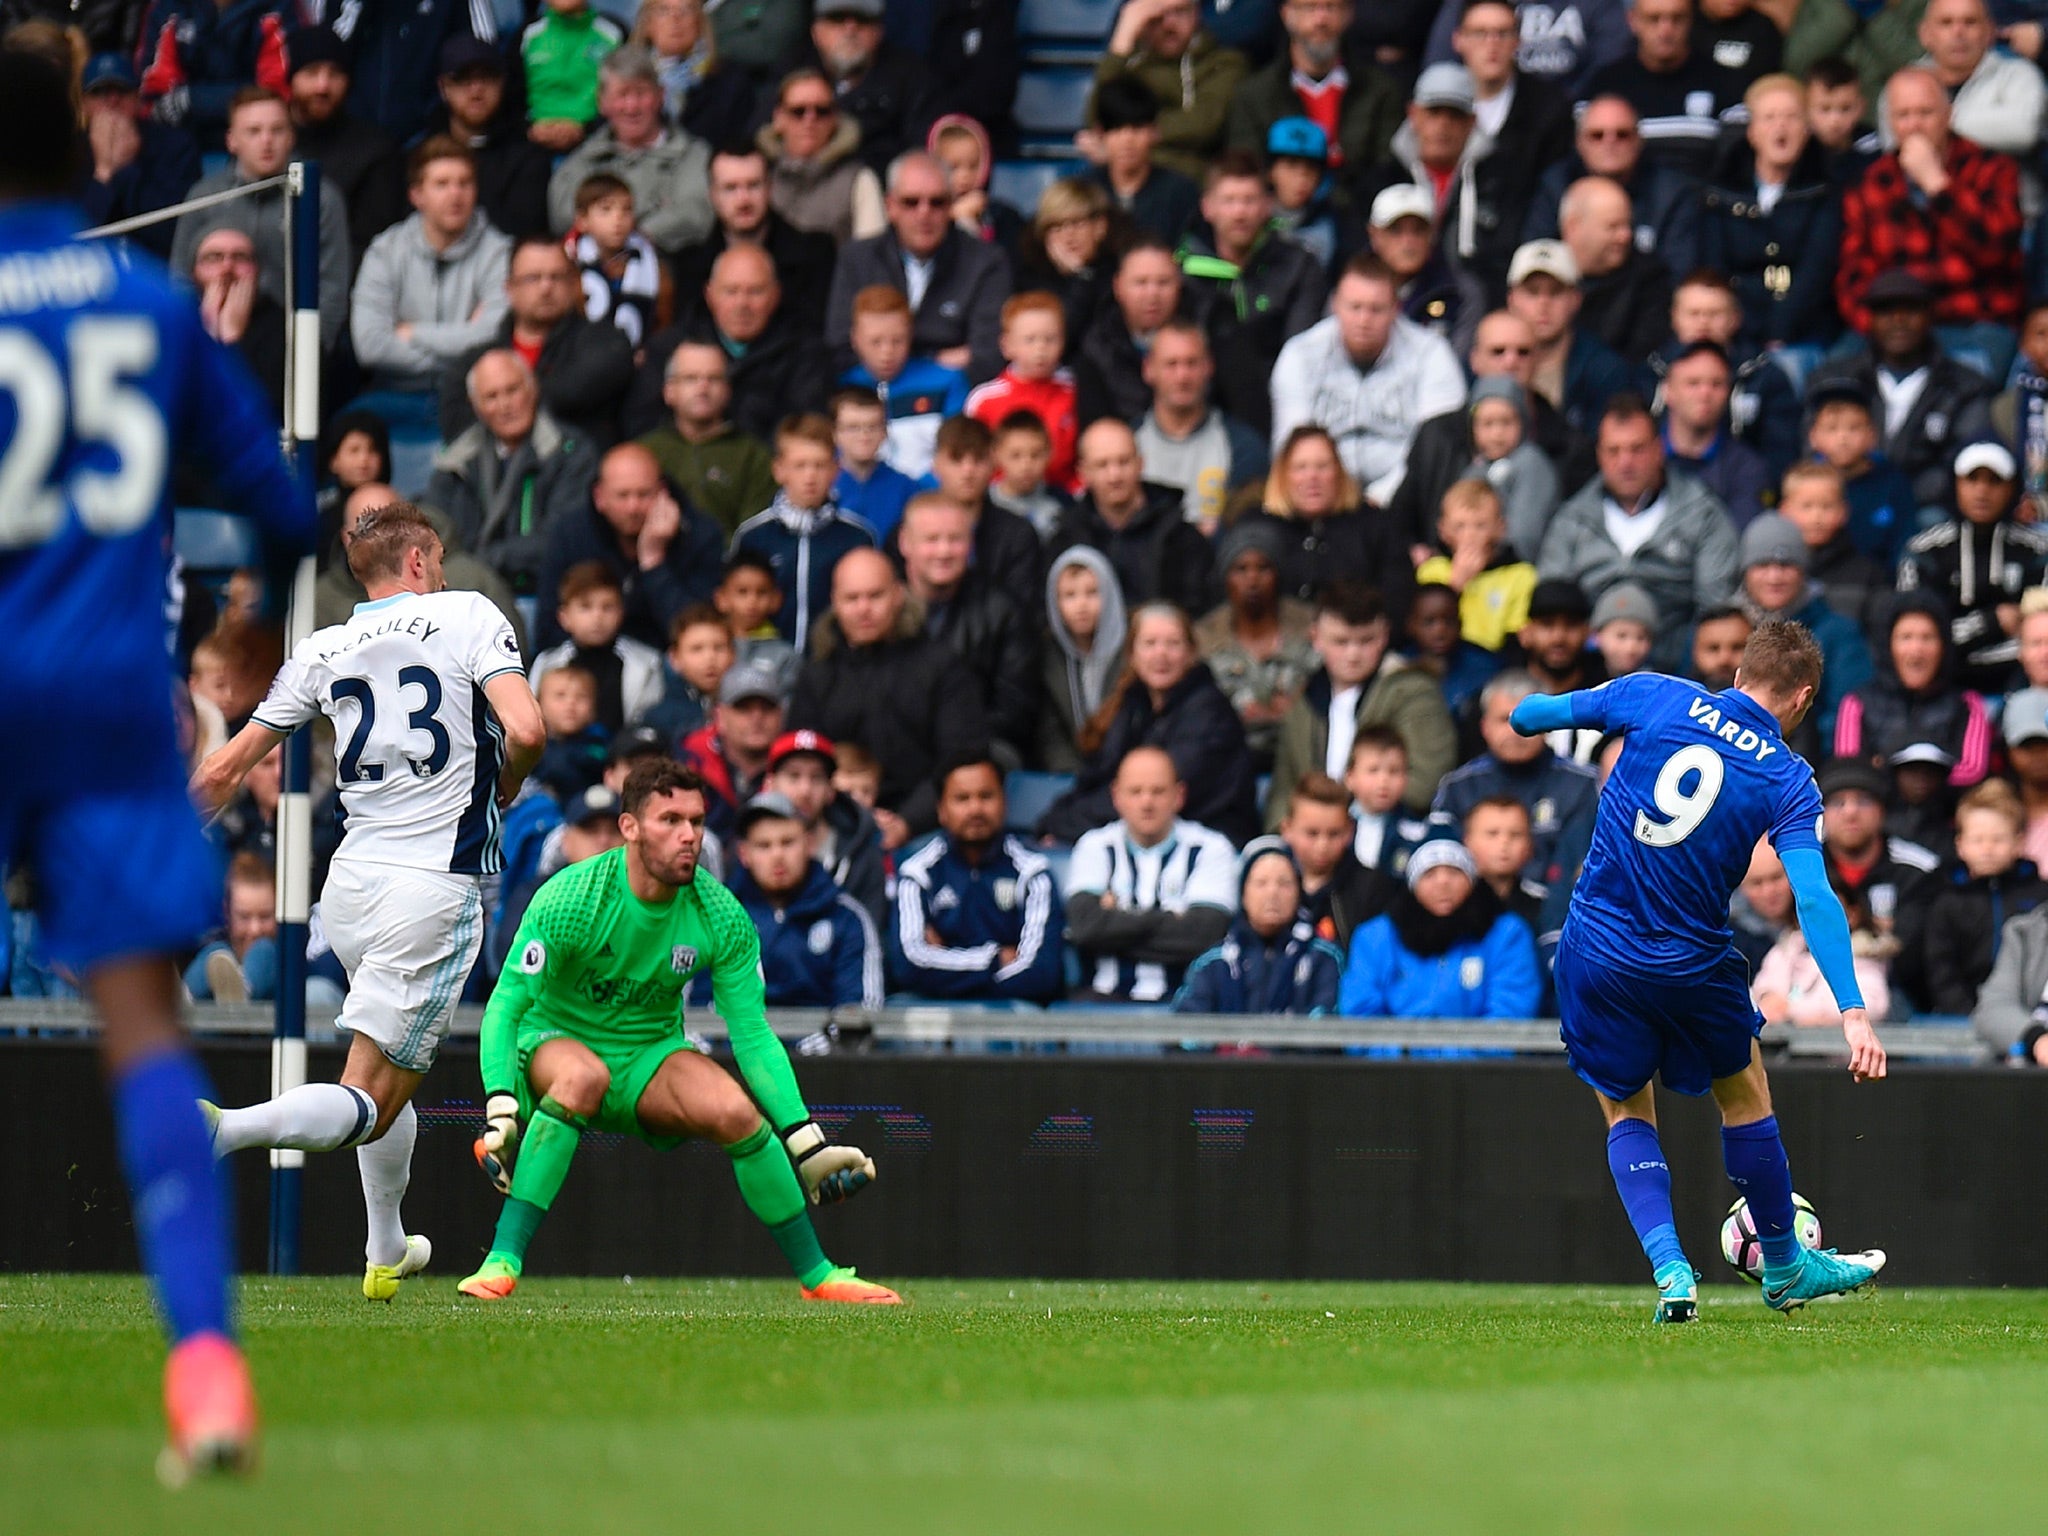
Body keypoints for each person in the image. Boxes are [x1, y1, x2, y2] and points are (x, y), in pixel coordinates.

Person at [0, 49, 313, 1476]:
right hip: (115, 706)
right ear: (82, 161)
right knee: (145, 1033)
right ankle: (206, 1377)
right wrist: (248, 639)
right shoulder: (148, 303)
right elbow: (284, 509)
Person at [195, 503, 545, 1310]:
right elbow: (525, 728)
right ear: (420, 561)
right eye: (442, 560)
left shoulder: (320, 646)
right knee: (371, 1091)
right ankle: (226, 1130)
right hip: (431, 888)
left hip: (349, 887)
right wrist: (507, 787)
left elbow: (223, 771)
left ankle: (386, 1246)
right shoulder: (465, 614)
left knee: (391, 1074)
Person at [1508, 620, 1891, 1323]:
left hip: (1595, 947)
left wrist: (1547, 711)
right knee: (1744, 1092)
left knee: (1625, 1106)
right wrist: (1852, 1009)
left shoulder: (1656, 695)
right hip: (1691, 963)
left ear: (1740, 675)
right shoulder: (1789, 778)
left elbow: (1528, 716)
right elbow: (1811, 894)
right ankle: (1783, 1265)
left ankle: (1671, 1269)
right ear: (1803, 698)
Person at [458, 758, 896, 1303]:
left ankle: (819, 1276)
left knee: (737, 1113)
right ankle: (501, 1260)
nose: (688, 835)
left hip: (649, 1054)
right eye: (670, 820)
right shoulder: (572, 898)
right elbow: (505, 1007)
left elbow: (753, 1036)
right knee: (582, 1077)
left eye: (697, 820)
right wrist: (501, 1103)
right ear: (630, 828)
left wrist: (805, 1142)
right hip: (551, 1044)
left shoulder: (720, 914)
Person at [787, 548, 992, 845]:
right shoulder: (816, 674)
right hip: (832, 827)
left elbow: (960, 757)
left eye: (875, 596)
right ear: (835, 603)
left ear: (898, 595)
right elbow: (800, 759)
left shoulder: (942, 666)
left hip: (929, 829)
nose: (863, 609)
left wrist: (907, 823)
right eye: (852, 598)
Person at [1837, 67, 2024, 378]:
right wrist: (1880, 324)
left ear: (1949, 114)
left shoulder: (1994, 169)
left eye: (1925, 113)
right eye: (1903, 115)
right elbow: (1853, 275)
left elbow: (1995, 253)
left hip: (1971, 320)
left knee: (1967, 385)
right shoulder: (1870, 182)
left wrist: (1937, 185)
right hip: (1891, 325)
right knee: (1834, 379)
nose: (1914, 126)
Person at [1538, 395, 1740, 670]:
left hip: (1678, 668)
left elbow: (1715, 605)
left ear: (1659, 449)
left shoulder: (1703, 513)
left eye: (1637, 449)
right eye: (1614, 450)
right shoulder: (1571, 518)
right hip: (1587, 670)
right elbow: (1553, 599)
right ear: (1599, 454)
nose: (1625, 462)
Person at [1039, 603, 1260, 845]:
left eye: (1173, 644)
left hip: (1209, 842)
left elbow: (1151, 797)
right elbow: (1097, 777)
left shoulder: (1210, 712)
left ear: (1191, 653)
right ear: (1131, 654)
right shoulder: (1133, 704)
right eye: (1150, 643)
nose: (1161, 654)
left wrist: (1065, 824)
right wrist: (1057, 818)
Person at [167, 87, 353, 351]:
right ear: (231, 140)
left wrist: (311, 352)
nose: (267, 141)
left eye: (277, 130)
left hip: (292, 344)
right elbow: (180, 277)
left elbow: (332, 287)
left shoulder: (320, 197)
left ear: (291, 137)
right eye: (254, 131)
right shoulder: (204, 195)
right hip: (213, 335)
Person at [1266, 582, 1456, 824]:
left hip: (1392, 834)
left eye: (1366, 641)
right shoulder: (1302, 701)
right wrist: (1278, 841)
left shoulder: (1415, 691)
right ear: (1315, 638)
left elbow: (1427, 783)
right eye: (1341, 642)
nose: (1353, 654)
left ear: (1384, 636)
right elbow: (1283, 791)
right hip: (1311, 839)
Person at [1065, 745, 1239, 1003]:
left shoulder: (1211, 849)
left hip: (1187, 1003)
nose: (1147, 802)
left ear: (1179, 795)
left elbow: (1204, 936)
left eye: (1158, 791)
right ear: (1116, 796)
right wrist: (1171, 917)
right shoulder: (1094, 846)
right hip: (1100, 1001)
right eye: (1135, 791)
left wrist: (1116, 919)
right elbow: (1085, 927)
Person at [826, 150, 1011, 385]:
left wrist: (890, 360)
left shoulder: (987, 261)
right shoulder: (856, 258)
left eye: (937, 202)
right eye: (911, 202)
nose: (924, 213)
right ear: (890, 206)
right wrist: (934, 361)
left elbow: (988, 356)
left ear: (951, 206)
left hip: (953, 405)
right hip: (870, 401)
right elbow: (840, 347)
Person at [1176, 152, 1328, 437]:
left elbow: (1300, 352)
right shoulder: (1184, 270)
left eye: (1249, 200)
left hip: (1277, 402)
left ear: (1267, 206)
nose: (1239, 212)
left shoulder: (1298, 266)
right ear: (1208, 207)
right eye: (1229, 201)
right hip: (1201, 401)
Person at [890, 754, 1064, 1003]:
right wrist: (994, 960)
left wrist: (942, 964)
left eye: (986, 796)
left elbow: (1041, 973)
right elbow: (908, 965)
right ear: (941, 810)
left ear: (1005, 803)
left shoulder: (1033, 872)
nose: (975, 809)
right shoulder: (917, 872)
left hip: (1010, 1016)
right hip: (940, 1014)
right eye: (962, 799)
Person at [427, 351, 597, 603]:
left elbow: (560, 539)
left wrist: (486, 558)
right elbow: (436, 534)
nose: (505, 405)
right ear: (476, 406)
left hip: (545, 591)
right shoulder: (455, 461)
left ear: (532, 389)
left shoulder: (572, 452)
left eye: (512, 390)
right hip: (469, 592)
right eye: (492, 397)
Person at [351, 137, 512, 398]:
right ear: (417, 195)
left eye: (464, 183)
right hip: (393, 393)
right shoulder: (385, 251)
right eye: (442, 184)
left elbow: (492, 336)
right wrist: (463, 342)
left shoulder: (500, 253)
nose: (455, 194)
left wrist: (410, 332)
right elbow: (370, 346)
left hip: (471, 396)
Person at [441, 236, 636, 449]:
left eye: (556, 277)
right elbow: (457, 425)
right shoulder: (475, 362)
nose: (546, 287)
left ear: (573, 285)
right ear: (509, 289)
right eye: (533, 278)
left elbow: (573, 393)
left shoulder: (606, 344)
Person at [1698, 73, 1844, 353]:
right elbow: (1714, 268)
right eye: (1770, 118)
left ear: (1806, 129)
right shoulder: (1719, 193)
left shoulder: (1827, 192)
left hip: (1805, 333)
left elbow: (1816, 273)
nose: (1781, 127)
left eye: (1791, 117)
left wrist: (1778, 333)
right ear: (1752, 131)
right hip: (1733, 330)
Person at [533, 442, 723, 651]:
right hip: (586, 659)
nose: (633, 507)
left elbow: (700, 634)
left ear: (663, 492)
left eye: (643, 494)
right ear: (599, 497)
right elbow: (548, 627)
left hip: (668, 661)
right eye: (622, 495)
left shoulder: (699, 533)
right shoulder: (570, 534)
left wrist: (654, 563)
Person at [1898, 442, 2048, 695]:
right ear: (1955, 484)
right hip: (1941, 688)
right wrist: (1991, 622)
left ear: (2012, 487)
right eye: (1972, 479)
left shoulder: (2038, 551)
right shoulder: (1924, 551)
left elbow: (2040, 636)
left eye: (1994, 481)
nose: (1982, 490)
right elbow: (1918, 638)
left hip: (2023, 686)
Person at [897, 494, 1037, 763]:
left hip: (975, 752)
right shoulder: (882, 609)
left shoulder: (1002, 612)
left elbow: (1015, 709)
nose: (944, 551)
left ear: (970, 544)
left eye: (955, 539)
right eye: (932, 539)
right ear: (905, 543)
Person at [710, 791, 881, 1009]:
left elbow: (859, 1011)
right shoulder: (718, 921)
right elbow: (697, 1009)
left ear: (809, 844)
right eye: (764, 845)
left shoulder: (847, 918)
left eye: (788, 842)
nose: (777, 855)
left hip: (821, 1042)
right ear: (744, 854)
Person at [1338, 836, 1542, 1017]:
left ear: (1472, 880)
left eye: (1454, 871)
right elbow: (1361, 1014)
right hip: (1396, 1060)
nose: (1443, 882)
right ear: (1412, 885)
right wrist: (1404, 1057)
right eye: (1429, 873)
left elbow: (1509, 1013)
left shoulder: (1507, 934)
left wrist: (1457, 1059)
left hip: (1481, 1061)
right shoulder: (1376, 937)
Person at [546, 45, 714, 257]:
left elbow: (695, 214)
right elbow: (562, 215)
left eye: (641, 93)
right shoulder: (584, 159)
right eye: (622, 94)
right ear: (602, 102)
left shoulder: (693, 154)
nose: (632, 106)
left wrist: (630, 236)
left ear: (660, 96)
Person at [730, 412, 877, 652]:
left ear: (835, 470)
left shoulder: (858, 536)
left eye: (819, 465)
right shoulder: (752, 535)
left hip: (835, 664)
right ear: (779, 470)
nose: (810, 477)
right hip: (766, 664)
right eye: (800, 466)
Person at [1433, 670, 1600, 878]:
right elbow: (1440, 866)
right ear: (1484, 727)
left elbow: (1584, 864)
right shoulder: (1458, 787)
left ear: (1549, 725)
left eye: (1527, 720)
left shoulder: (1582, 784)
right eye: (1504, 719)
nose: (1515, 730)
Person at [1049, 419, 1214, 617]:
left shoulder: (1179, 534)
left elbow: (1202, 609)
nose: (1114, 476)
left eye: (1123, 461)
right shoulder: (1066, 539)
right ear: (1083, 473)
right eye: (1102, 465)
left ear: (1140, 463)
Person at [672, 143, 838, 335]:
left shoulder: (815, 254)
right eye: (730, 188)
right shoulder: (690, 264)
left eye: (753, 185)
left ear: (770, 188)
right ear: (713, 195)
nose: (744, 200)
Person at [1735, 508, 1871, 741]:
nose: (1774, 577)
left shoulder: (1838, 632)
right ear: (1745, 571)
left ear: (1803, 571)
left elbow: (1846, 710)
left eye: (1786, 565)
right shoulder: (1723, 627)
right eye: (1763, 565)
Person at [1833, 593, 1994, 788]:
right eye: (1906, 637)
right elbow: (1851, 771)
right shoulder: (1857, 703)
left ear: (1944, 646)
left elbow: (1972, 770)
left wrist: (1908, 775)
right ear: (1888, 645)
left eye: (1928, 637)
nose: (1916, 650)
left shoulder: (1968, 704)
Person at [1916, 780, 2048, 1016]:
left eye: (1998, 839)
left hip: (2029, 1014)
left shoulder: (2040, 895)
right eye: (1978, 840)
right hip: (1959, 1016)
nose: (1987, 848)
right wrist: (1966, 1013)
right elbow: (1940, 967)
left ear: (2019, 843)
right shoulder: (1946, 900)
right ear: (1960, 844)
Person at [1224, 0, 1401, 175]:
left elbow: (1386, 168)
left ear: (1349, 14)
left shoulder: (1380, 91)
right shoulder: (1254, 95)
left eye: (1331, 7)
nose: (1321, 20)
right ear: (1286, 14)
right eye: (1309, 7)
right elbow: (1246, 169)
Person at [1579, 0, 1746, 181]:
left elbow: (1734, 167)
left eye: (1677, 19)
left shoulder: (1726, 85)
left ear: (1692, 20)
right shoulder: (1603, 86)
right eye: (1654, 19)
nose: (1665, 31)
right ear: (1632, 21)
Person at [1196, 519, 1318, 767]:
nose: (1252, 579)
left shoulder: (1311, 628)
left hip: (1300, 758)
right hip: (1226, 761)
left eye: (1263, 568)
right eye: (1241, 569)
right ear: (1226, 577)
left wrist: (1297, 708)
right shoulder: (1204, 637)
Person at [283, 25, 406, 270]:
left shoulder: (375, 150)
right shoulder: (266, 140)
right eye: (311, 72)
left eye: (335, 74)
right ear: (292, 79)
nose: (323, 86)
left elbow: (373, 245)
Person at [1174, 837, 1344, 1014]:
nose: (1272, 893)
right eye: (1261, 883)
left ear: (1298, 892)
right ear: (1243, 893)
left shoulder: (1324, 957)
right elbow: (1187, 1026)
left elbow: (1326, 1021)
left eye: (1284, 883)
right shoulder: (1214, 962)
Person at [1086, 0, 1248, 181]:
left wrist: (1126, 141)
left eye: (1180, 12)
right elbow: (1099, 120)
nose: (1169, 24)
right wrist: (1121, 43)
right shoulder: (1129, 65)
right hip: (1130, 180)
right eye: (1156, 16)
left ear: (1197, 13)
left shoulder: (1224, 63)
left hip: (1192, 181)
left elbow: (1204, 124)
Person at [1131, 320, 1267, 534]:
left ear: (1209, 367)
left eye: (1191, 363)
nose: (1182, 376)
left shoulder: (1244, 446)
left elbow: (1247, 532)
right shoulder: (1127, 443)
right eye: (1171, 364)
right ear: (1148, 369)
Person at [632, 340, 777, 539]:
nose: (703, 388)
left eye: (714, 378)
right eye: (691, 379)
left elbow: (753, 534)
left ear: (728, 390)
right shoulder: (642, 454)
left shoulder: (754, 456)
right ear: (669, 391)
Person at [777, 0, 933, 172]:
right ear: (816, 31)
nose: (850, 29)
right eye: (837, 19)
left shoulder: (909, 75)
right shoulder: (792, 68)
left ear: (879, 31)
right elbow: (761, 134)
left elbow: (923, 153)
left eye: (862, 19)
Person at [76, 51, 202, 263]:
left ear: (137, 98)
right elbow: (76, 237)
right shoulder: (70, 152)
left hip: (156, 266)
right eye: (100, 92)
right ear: (85, 104)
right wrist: (104, 172)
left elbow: (170, 233)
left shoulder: (176, 145)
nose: (112, 100)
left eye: (122, 90)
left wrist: (127, 169)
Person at [1504, 239, 1633, 438]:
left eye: (1555, 292)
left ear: (1576, 299)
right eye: (1533, 292)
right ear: (1512, 299)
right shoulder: (1491, 358)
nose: (1543, 304)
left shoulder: (1605, 370)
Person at [760, 727, 886, 930]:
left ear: (830, 790)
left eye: (816, 778)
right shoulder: (746, 852)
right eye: (793, 776)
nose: (805, 790)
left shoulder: (862, 856)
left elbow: (871, 936)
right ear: (770, 784)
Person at [1446, 0, 1575, 198]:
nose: (1492, 44)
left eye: (1503, 33)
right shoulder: (1440, 104)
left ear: (1518, 41)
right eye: (1480, 33)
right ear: (1458, 40)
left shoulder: (1549, 108)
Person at [432, 36, 553, 243]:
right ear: (444, 87)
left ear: (502, 82)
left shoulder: (529, 157)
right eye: (463, 78)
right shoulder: (425, 156)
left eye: (487, 77)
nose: (476, 90)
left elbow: (524, 234)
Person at [757, 65, 887, 246]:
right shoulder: (760, 174)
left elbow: (869, 261)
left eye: (822, 111)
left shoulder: (860, 180)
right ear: (779, 118)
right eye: (798, 111)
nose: (810, 120)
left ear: (834, 119)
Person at [964, 292, 1080, 492]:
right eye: (1030, 339)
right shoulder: (984, 399)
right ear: (1006, 345)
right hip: (1000, 503)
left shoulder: (1076, 391)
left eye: (1050, 339)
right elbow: (973, 459)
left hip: (1065, 500)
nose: (1041, 348)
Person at [530, 562, 665, 732]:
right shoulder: (547, 664)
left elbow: (650, 723)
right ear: (564, 617)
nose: (597, 617)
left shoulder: (647, 663)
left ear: (621, 612)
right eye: (585, 607)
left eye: (607, 607)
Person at [1803, 375, 1920, 565]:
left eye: (1854, 428)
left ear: (1872, 435)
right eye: (1832, 428)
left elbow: (1904, 545)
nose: (1843, 438)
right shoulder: (1803, 483)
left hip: (1879, 587)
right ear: (1813, 437)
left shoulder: (1893, 483)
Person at [1657, 341, 1772, 529]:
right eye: (1693, 383)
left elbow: (1740, 537)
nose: (1705, 393)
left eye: (1716, 384)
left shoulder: (1748, 468)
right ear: (1667, 391)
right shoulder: (1638, 455)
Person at [1557, 175, 1671, 366]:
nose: (1625, 236)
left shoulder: (1650, 279)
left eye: (1628, 225)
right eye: (1613, 227)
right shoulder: (1540, 271)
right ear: (1573, 227)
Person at [1282, 768, 1399, 947]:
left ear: (1350, 831)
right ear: (1287, 830)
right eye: (1312, 833)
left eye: (1334, 834)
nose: (1322, 845)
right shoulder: (1268, 882)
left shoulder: (1373, 889)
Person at [1075, 237, 1185, 428]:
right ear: (1118, 287)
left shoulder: (1204, 332)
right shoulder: (1097, 346)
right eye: (1141, 283)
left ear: (1179, 285)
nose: (1152, 294)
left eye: (1163, 282)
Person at [1041, 547, 1129, 774]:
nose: (1081, 605)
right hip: (1072, 775)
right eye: (1069, 595)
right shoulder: (1048, 657)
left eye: (1092, 592)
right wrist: (1071, 772)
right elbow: (1050, 732)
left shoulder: (1132, 653)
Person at [1085, 74, 1202, 244]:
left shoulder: (1182, 192)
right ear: (1100, 133)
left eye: (1137, 128)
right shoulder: (1084, 191)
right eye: (1116, 128)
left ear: (1154, 132)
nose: (1127, 140)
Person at [680, 656, 786, 841]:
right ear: (719, 716)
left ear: (780, 715)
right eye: (743, 709)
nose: (757, 718)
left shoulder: (799, 765)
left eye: (766, 708)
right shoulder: (688, 760)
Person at [568, 173, 672, 350]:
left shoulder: (654, 266)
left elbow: (663, 322)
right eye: (606, 210)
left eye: (627, 209)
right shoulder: (570, 266)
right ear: (582, 221)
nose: (618, 219)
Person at [634, 0, 751, 146]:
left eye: (686, 9)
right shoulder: (628, 78)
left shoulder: (730, 81)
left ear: (700, 22)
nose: (675, 18)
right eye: (663, 10)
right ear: (647, 24)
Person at [523, 0, 626, 154]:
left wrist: (585, 129)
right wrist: (531, 129)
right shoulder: (528, 35)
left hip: (599, 144)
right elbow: (511, 99)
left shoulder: (613, 34)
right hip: (532, 148)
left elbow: (627, 97)